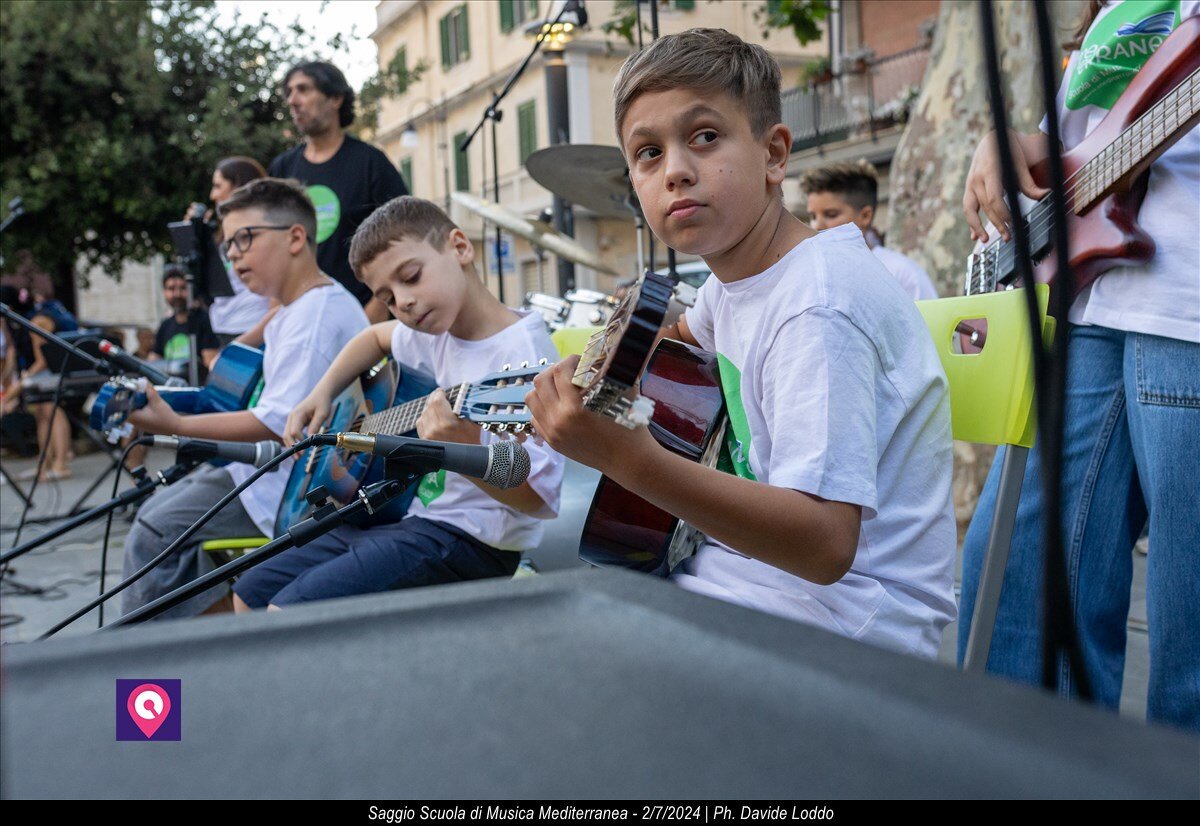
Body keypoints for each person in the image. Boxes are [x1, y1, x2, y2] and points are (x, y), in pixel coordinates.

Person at [525, 29, 957, 658]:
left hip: (846, 624)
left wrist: (628, 459)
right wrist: (609, 360)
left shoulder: (818, 303)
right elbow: (677, 337)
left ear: (774, 154)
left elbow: (825, 545)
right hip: (747, 583)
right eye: (648, 154)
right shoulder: (735, 284)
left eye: (704, 137)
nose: (675, 170)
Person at [958, 0, 1200, 731]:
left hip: (1187, 309)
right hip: (1088, 307)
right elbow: (1092, 137)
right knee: (1014, 592)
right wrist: (1017, 141)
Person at [230, 196, 564, 611]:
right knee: (248, 593)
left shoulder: (524, 357)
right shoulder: (428, 333)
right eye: (386, 296)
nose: (402, 302)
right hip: (397, 516)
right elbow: (373, 338)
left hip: (470, 537)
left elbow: (539, 500)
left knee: (291, 613)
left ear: (460, 247)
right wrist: (322, 393)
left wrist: (467, 448)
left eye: (411, 277)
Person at [120, 178, 369, 619]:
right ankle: (203, 649)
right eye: (228, 244)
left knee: (153, 530)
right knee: (163, 520)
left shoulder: (313, 320)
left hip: (284, 488)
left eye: (244, 238)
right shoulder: (295, 308)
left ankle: (151, 667)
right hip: (263, 473)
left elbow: (273, 424)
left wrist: (175, 427)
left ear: (295, 237)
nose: (232, 254)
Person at [269, 61, 409, 324]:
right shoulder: (282, 168)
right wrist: (277, 315)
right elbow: (273, 247)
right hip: (300, 323)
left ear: (335, 98)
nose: (292, 100)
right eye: (289, 92)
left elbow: (402, 238)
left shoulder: (370, 163)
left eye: (303, 90)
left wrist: (371, 318)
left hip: (363, 320)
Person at [800, 160, 938, 300]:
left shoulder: (902, 274)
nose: (817, 225)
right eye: (812, 216)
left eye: (831, 214)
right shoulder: (811, 277)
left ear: (865, 216)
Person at [203, 156, 272, 344]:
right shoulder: (222, 233)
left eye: (218, 186)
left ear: (238, 187)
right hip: (225, 327)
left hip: (253, 328)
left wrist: (242, 344)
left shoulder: (266, 231)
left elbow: (277, 299)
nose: (213, 195)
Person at [152, 264, 220, 379]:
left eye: (183, 288)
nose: (177, 294)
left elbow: (211, 363)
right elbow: (154, 361)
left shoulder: (205, 320)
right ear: (164, 292)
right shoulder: (165, 325)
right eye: (171, 289)